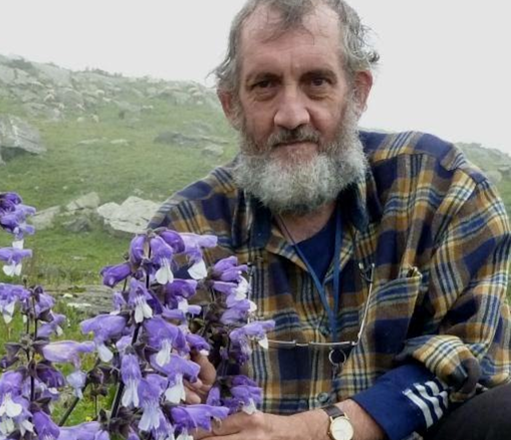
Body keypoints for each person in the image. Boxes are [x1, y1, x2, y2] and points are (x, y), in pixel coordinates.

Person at [148, 1, 511, 439]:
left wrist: (317, 430)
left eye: (316, 82)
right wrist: (177, 387)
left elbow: (474, 356)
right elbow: (152, 392)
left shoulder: (441, 188)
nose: (292, 115)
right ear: (231, 105)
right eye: (264, 85)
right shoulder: (184, 233)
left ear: (357, 92)